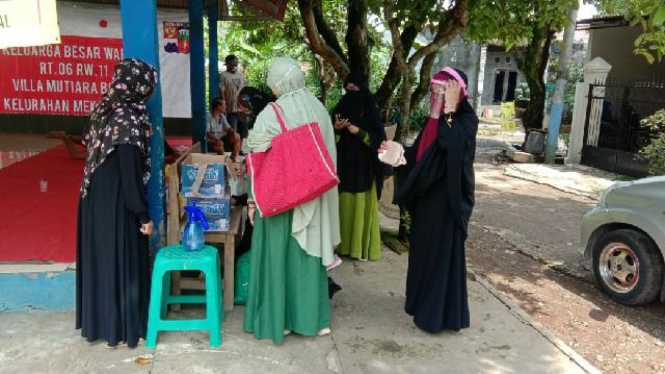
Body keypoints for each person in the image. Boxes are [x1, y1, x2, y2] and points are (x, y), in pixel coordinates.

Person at [243, 57, 341, 344]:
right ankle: (314, 320)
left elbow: (255, 155)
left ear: (279, 82)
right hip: (314, 194)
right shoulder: (319, 108)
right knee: (308, 259)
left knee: (277, 258)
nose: (272, 89)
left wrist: (251, 200)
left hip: (281, 199)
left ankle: (280, 321)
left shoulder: (273, 112)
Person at [76, 58, 157, 348]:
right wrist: (143, 215)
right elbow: (129, 170)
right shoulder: (127, 119)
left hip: (95, 196)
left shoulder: (105, 109)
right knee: (121, 259)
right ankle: (122, 329)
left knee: (103, 260)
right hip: (117, 201)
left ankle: (101, 326)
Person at [393, 67, 478, 334]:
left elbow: (451, 144)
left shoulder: (465, 119)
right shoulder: (436, 119)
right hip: (426, 200)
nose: (436, 96)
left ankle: (436, 315)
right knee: (422, 253)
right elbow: (421, 154)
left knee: (440, 256)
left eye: (442, 91)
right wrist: (396, 155)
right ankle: (419, 302)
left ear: (457, 93)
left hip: (446, 201)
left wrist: (449, 112)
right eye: (434, 90)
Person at [332, 71, 386, 261]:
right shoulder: (341, 105)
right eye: (347, 89)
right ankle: (340, 246)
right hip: (344, 164)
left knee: (359, 206)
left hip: (364, 167)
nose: (351, 92)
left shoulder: (370, 108)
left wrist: (360, 133)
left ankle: (358, 248)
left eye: (355, 88)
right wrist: (337, 129)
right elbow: (331, 138)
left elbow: (380, 139)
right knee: (343, 205)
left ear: (362, 88)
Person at [219, 54, 247, 139]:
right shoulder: (223, 76)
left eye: (236, 64)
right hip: (231, 108)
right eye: (233, 64)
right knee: (233, 130)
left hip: (242, 109)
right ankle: (233, 150)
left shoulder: (241, 75)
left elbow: (245, 89)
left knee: (242, 131)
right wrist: (224, 105)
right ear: (227, 64)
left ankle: (239, 150)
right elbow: (222, 91)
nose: (235, 66)